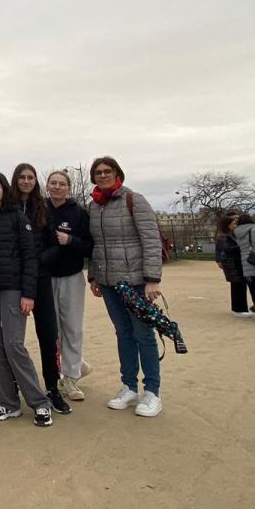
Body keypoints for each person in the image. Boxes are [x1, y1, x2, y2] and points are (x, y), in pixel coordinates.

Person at [0, 172, 53, 426]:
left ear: (4, 190)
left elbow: (29, 258)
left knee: (14, 344)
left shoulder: (18, 218)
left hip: (13, 288)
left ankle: (39, 402)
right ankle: (8, 401)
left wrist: (28, 294)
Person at [86, 156, 165, 418]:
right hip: (109, 283)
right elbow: (96, 246)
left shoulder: (134, 200)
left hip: (135, 281)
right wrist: (94, 277)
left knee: (143, 334)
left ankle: (152, 391)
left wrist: (152, 278)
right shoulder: (94, 207)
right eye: (98, 172)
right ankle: (129, 386)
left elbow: (151, 240)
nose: (103, 175)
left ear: (118, 173)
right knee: (123, 333)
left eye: (108, 171)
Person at [12, 164, 72, 415]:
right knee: (13, 338)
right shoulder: (6, 207)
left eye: (30, 177)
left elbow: (55, 243)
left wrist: (38, 262)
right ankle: (13, 384)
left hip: (39, 277)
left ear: (36, 181)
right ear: (16, 180)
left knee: (48, 334)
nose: (26, 181)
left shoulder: (44, 208)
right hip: (13, 279)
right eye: (22, 177)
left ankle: (51, 387)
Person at [42, 170, 94, 401]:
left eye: (61, 183)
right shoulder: (39, 209)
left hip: (71, 276)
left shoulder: (79, 214)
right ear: (47, 186)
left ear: (69, 187)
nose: (57, 187)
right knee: (53, 330)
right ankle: (73, 365)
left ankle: (71, 377)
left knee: (72, 326)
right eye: (53, 183)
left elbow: (91, 246)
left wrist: (70, 240)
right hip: (45, 277)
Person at [215, 213, 252, 318]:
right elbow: (227, 249)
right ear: (228, 225)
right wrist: (242, 246)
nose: (236, 224)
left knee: (240, 285)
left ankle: (241, 308)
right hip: (232, 264)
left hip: (234, 263)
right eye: (234, 223)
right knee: (238, 285)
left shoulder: (230, 235)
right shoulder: (223, 236)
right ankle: (239, 309)